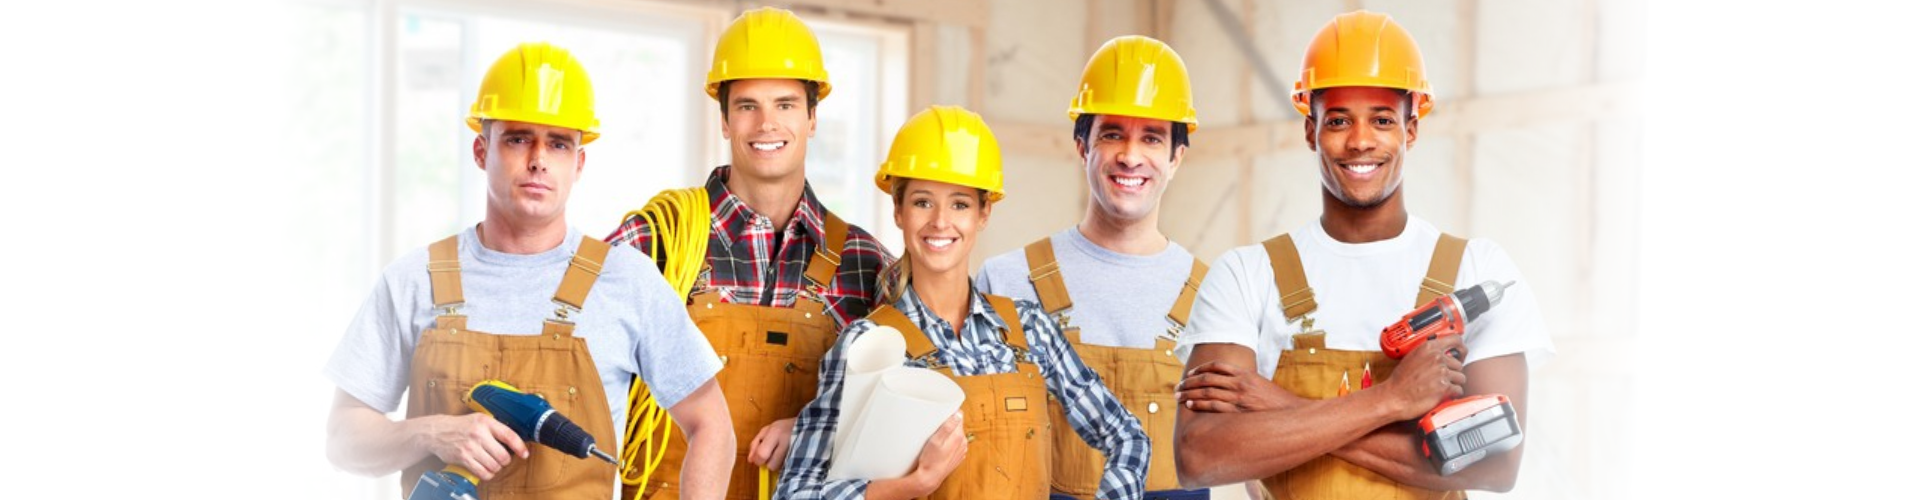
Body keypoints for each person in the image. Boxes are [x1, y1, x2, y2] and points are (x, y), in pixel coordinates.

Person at [323, 42, 735, 500]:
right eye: (518, 138)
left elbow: (712, 426)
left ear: (578, 163)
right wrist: (431, 433)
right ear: (482, 151)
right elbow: (342, 441)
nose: (538, 159)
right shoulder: (414, 279)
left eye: (558, 143)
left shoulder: (627, 281)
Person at [1170, 10, 1553, 499]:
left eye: (1382, 119)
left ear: (1411, 130)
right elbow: (1200, 457)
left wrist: (1281, 405)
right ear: (1310, 130)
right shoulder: (1247, 275)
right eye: (1337, 120)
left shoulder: (1476, 270)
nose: (1360, 141)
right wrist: (1391, 401)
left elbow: (1495, 466)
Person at [778, 105, 1151, 500]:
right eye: (923, 202)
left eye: (959, 204)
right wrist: (908, 486)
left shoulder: (1029, 330)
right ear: (899, 212)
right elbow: (796, 493)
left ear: (983, 213)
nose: (941, 222)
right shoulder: (869, 345)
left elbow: (1128, 438)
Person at [601, 7, 892, 500]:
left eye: (785, 104)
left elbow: (890, 414)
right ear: (724, 119)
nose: (766, 123)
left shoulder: (863, 263)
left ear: (813, 118)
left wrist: (809, 425)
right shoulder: (656, 242)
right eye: (747, 106)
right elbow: (576, 367)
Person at [974, 35, 1213, 500]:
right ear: (1082, 146)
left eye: (1151, 137)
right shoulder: (1007, 281)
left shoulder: (1214, 295)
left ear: (1176, 157)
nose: (1129, 154)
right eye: (1111, 133)